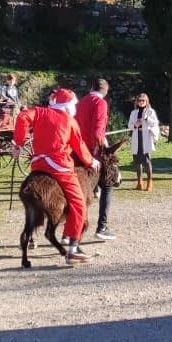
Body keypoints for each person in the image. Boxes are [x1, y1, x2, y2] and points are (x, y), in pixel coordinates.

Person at [13, 88, 100, 264]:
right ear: (69, 105)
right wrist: (91, 162)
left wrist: (19, 144)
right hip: (60, 166)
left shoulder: (39, 111)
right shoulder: (70, 121)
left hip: (38, 164)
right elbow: (80, 147)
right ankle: (73, 247)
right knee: (79, 203)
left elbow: (22, 117)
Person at [76, 78, 114, 239]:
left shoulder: (80, 102)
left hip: (76, 149)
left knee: (77, 189)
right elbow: (98, 129)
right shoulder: (101, 103)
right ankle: (102, 227)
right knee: (107, 185)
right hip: (92, 150)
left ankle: (70, 230)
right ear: (105, 92)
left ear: (91, 87)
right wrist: (100, 147)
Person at [129, 93, 159, 191]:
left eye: (143, 100)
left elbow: (155, 123)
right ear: (136, 102)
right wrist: (135, 125)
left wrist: (146, 118)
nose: (141, 102)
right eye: (139, 100)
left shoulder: (150, 111)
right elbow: (129, 125)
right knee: (137, 161)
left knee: (146, 161)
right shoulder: (133, 112)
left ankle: (149, 182)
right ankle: (139, 182)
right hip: (136, 137)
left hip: (146, 137)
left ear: (146, 101)